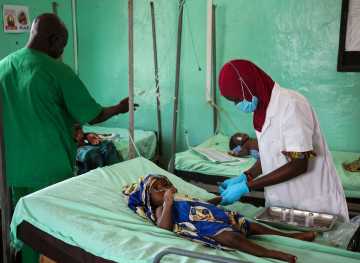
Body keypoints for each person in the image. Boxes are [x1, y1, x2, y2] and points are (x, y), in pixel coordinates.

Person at [0, 13, 138, 263]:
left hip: (12, 168)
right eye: (63, 44)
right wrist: (119, 108)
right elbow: (93, 114)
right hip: (48, 168)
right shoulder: (58, 71)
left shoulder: (3, 67)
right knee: (55, 233)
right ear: (54, 40)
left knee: (25, 227)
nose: (62, 50)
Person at [217, 60, 349, 223]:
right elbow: (270, 153)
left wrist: (246, 188)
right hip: (281, 203)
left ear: (248, 85)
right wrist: (247, 176)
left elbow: (299, 165)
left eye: (237, 99)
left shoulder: (291, 104)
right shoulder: (260, 109)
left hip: (311, 202)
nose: (237, 105)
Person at [123, 174, 317, 263]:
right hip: (206, 228)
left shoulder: (182, 197)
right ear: (148, 199)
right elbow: (164, 227)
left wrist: (223, 198)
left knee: (252, 226)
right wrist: (167, 203)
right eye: (156, 189)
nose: (163, 189)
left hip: (220, 217)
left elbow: (203, 203)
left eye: (165, 184)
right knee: (233, 238)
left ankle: (290, 236)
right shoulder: (161, 208)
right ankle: (271, 254)